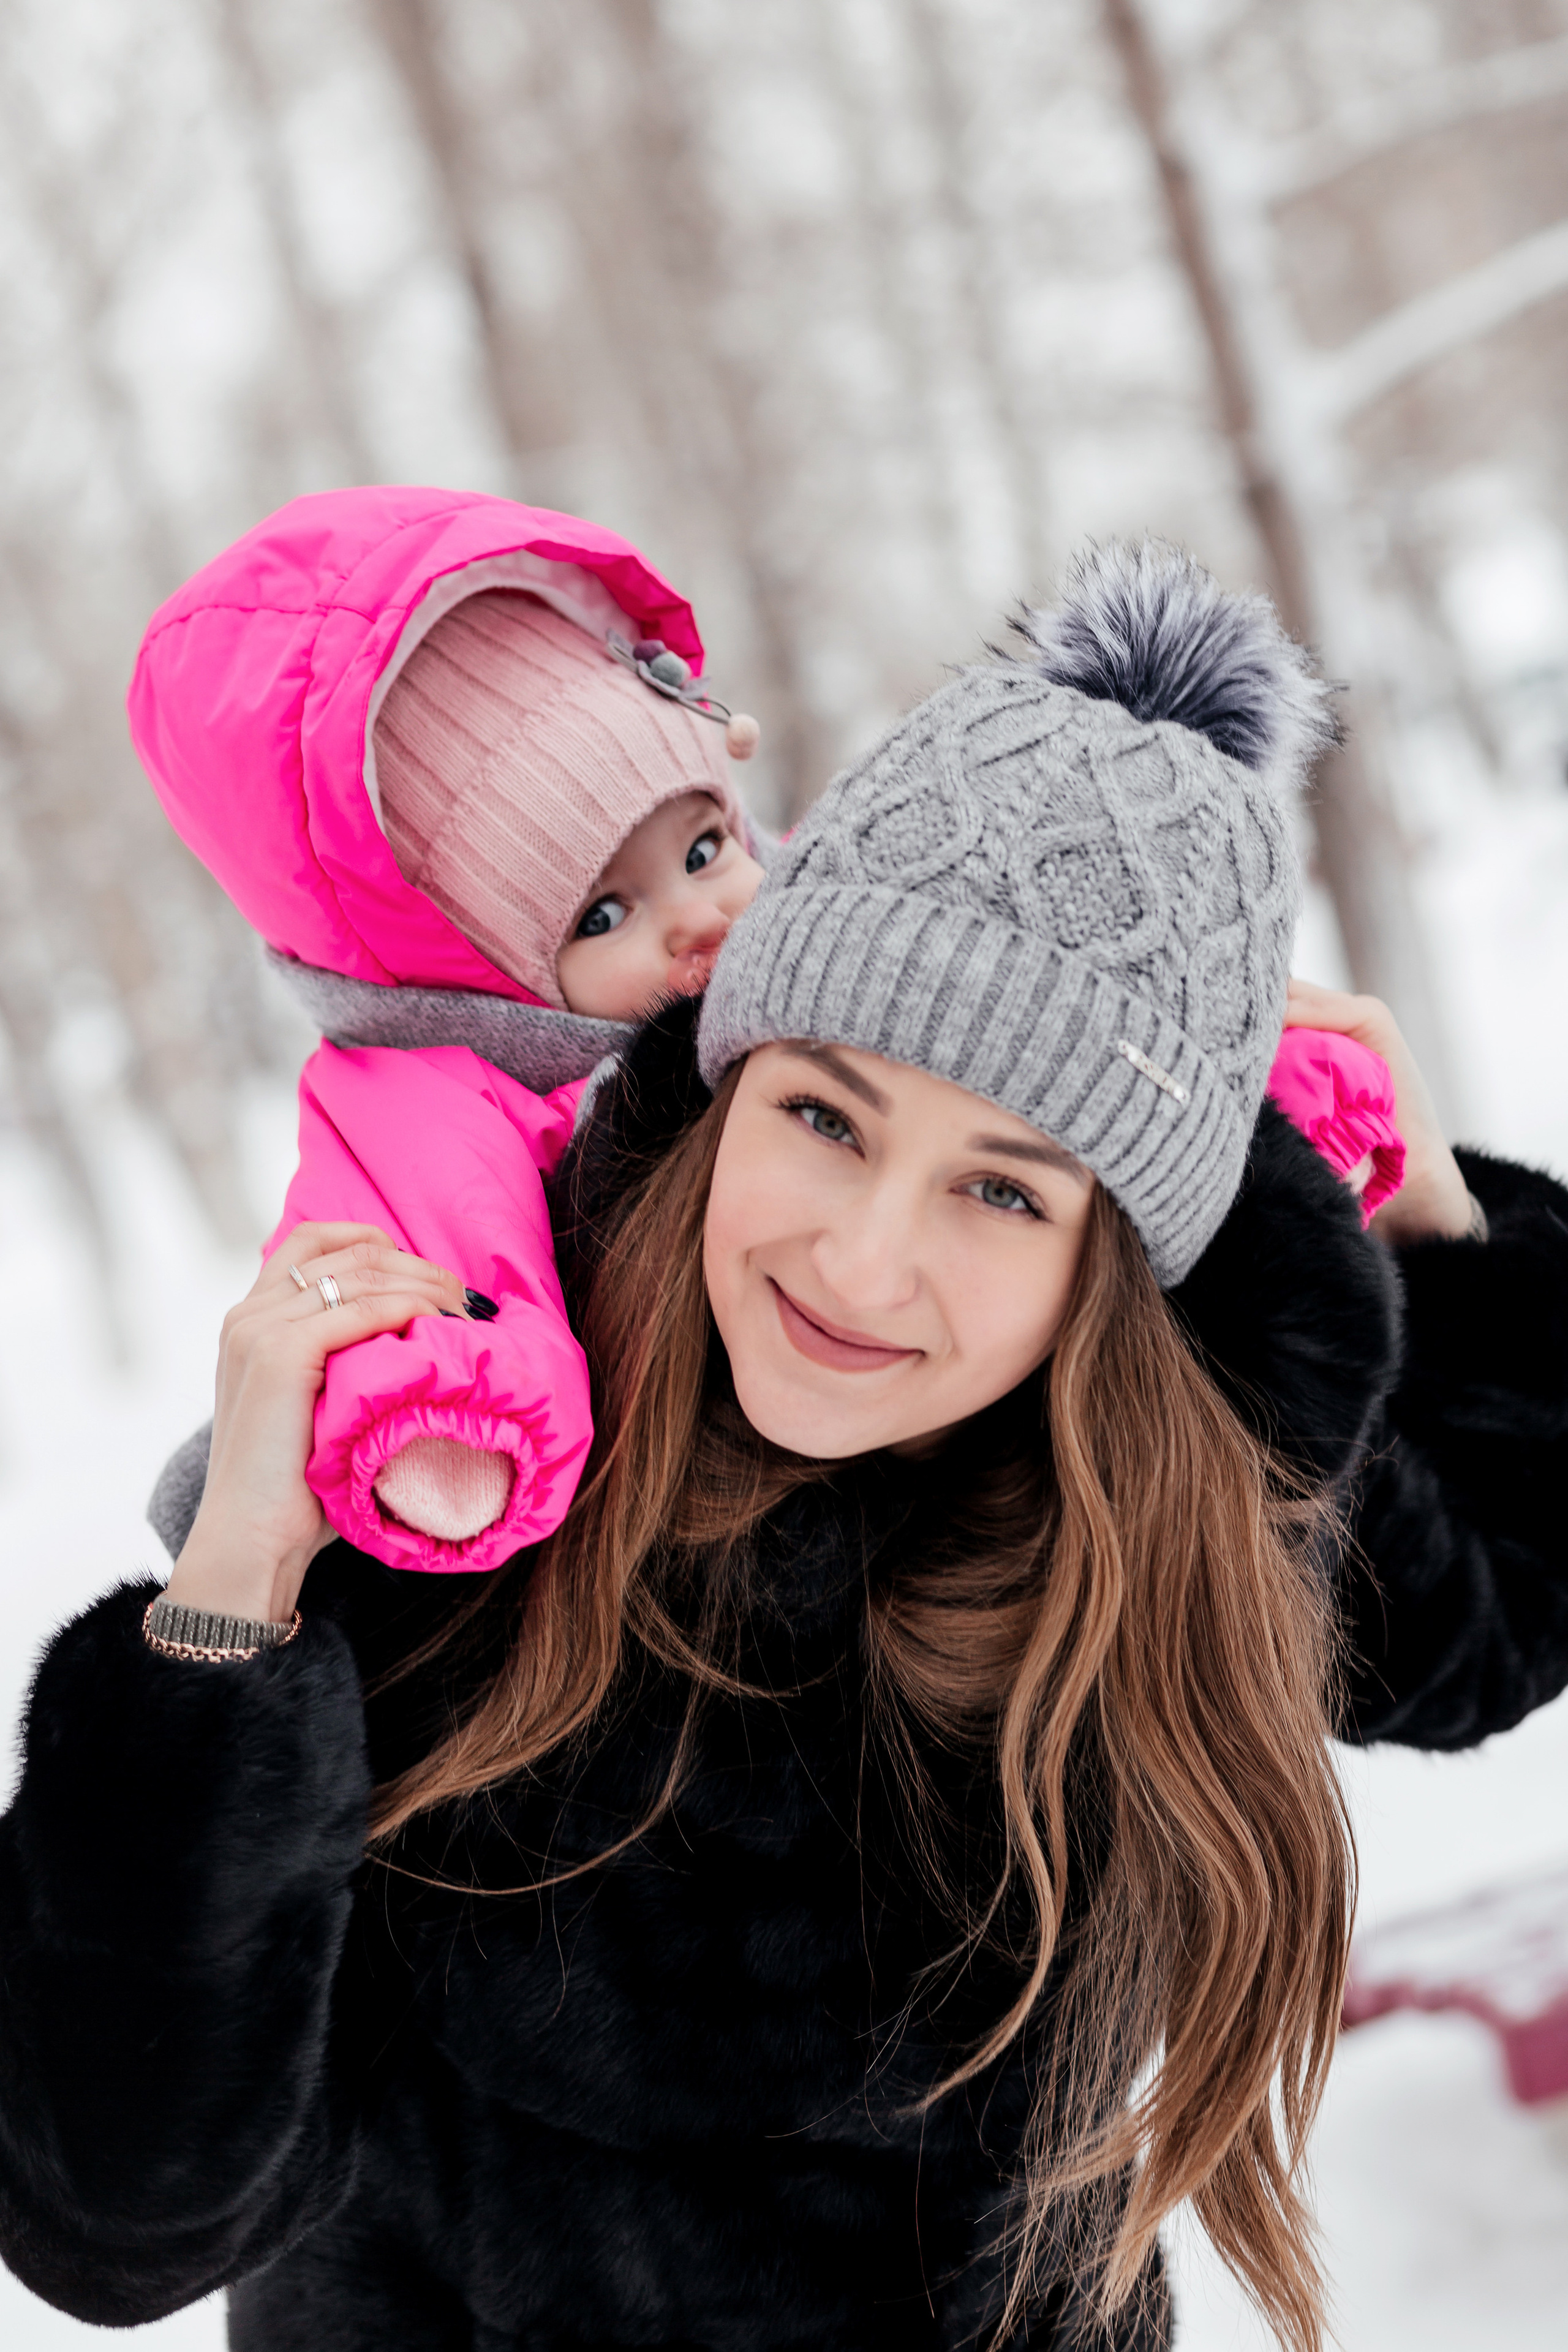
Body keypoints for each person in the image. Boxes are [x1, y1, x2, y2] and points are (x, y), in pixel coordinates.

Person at [6, 541, 1565, 2350]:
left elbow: (1477, 1650)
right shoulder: (474, 1473)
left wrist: (1445, 1239)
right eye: (827, 1114)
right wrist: (232, 1609)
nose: (862, 1260)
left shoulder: (1137, 1484)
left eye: (1003, 1188)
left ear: (1111, 1270)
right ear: (721, 1082)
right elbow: (110, 2222)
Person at [130, 486, 766, 1566]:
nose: (700, 918)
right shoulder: (428, 1100)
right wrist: (448, 1415)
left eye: (705, 850)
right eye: (605, 916)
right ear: (485, 972)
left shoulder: (813, 922)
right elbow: (412, 1263)